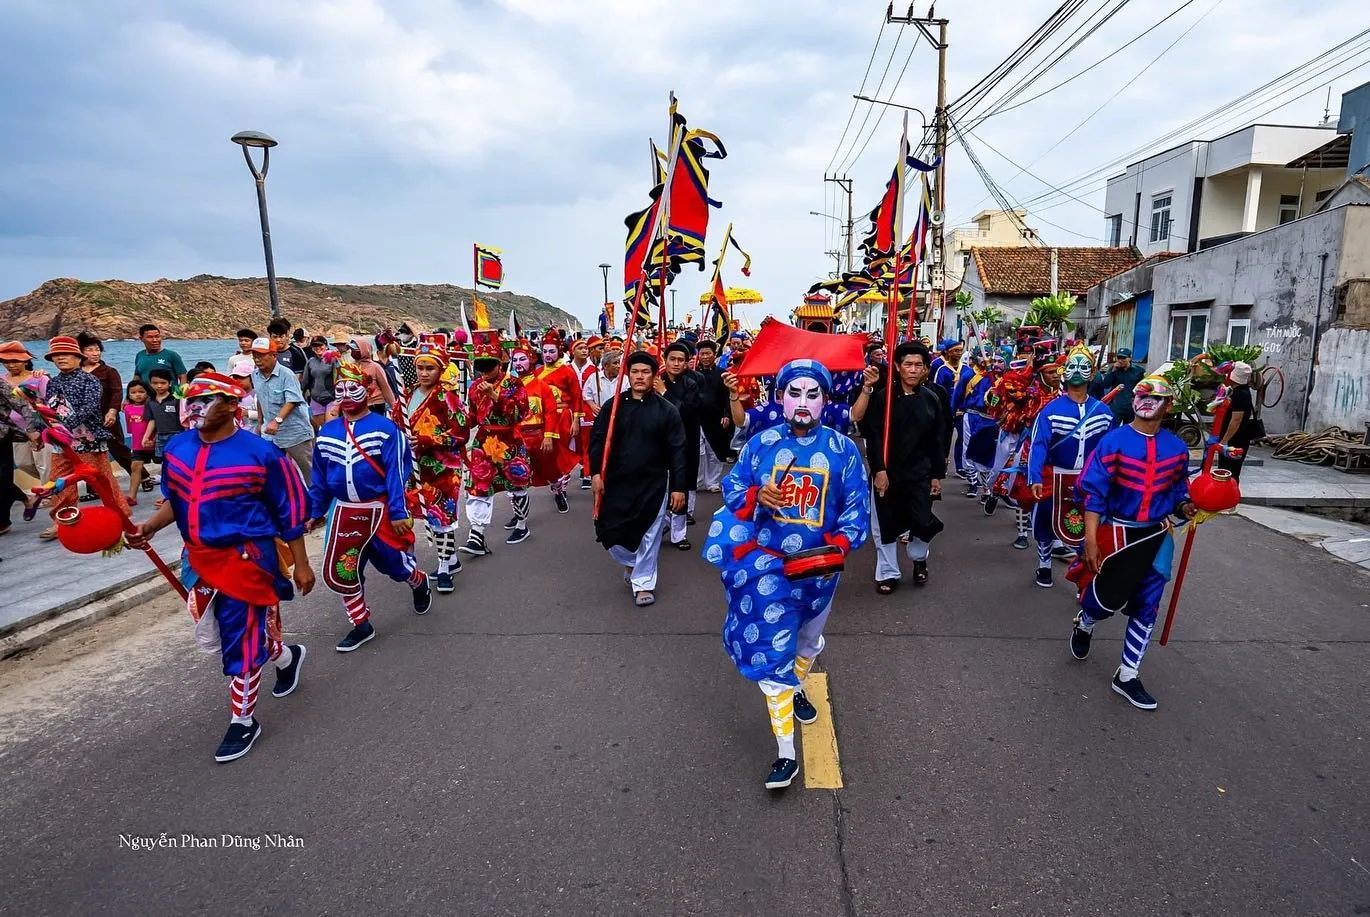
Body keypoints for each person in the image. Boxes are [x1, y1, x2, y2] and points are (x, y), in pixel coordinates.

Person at [125, 372, 313, 763]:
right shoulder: (177, 448)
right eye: (190, 399)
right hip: (198, 560)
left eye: (205, 399)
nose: (193, 407)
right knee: (224, 628)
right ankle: (285, 657)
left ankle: (243, 720)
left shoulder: (264, 455)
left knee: (239, 636)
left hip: (248, 559)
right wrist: (149, 527)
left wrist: (301, 564)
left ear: (230, 406)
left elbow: (290, 514)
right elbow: (177, 501)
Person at [702, 359, 870, 789]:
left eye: (812, 394)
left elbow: (856, 510)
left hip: (819, 568)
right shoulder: (761, 444)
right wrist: (759, 495)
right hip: (767, 567)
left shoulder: (842, 450)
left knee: (809, 642)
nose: (802, 402)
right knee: (774, 656)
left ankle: (798, 685)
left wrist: (840, 546)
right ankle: (785, 752)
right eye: (794, 393)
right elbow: (733, 487)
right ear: (780, 398)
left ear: (825, 401)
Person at [1068, 374, 1196, 711]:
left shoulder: (1177, 449)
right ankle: (1086, 622)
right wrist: (1091, 541)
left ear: (1168, 406)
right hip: (1115, 533)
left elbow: (1178, 491)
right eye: (1143, 393)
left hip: (1156, 535)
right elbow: (1094, 495)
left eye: (1157, 397)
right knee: (1103, 601)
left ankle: (1127, 674)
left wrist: (1186, 505)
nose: (1148, 400)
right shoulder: (1113, 442)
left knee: (1147, 605)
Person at [307, 378, 432, 652]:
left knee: (393, 565)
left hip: (380, 511)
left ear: (369, 391)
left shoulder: (387, 430)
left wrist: (398, 512)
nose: (347, 396)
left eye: (353, 389)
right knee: (345, 569)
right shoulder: (327, 433)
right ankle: (361, 623)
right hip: (344, 512)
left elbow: (397, 475)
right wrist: (314, 511)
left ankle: (417, 580)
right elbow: (319, 477)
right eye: (340, 391)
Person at [589, 350, 687, 608]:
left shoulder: (667, 410)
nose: (640, 377)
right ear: (627, 375)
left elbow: (678, 450)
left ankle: (643, 583)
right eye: (635, 372)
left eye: (645, 372)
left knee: (650, 532)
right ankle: (631, 562)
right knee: (611, 532)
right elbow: (597, 441)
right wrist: (596, 474)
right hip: (617, 482)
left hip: (654, 482)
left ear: (654, 376)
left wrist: (678, 487)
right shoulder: (613, 407)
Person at [1026, 346, 1114, 588]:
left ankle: (1081, 575)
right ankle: (1044, 564)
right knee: (1045, 520)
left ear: (1093, 373)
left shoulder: (1105, 413)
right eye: (1072, 366)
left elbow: (1110, 452)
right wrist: (1034, 477)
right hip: (1055, 476)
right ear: (1064, 372)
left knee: (1087, 527)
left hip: (1088, 480)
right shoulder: (1050, 411)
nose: (1077, 371)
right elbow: (1039, 445)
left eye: (1083, 366)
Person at [29, 336, 132, 539]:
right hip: (61, 442)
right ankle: (63, 521)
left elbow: (91, 407)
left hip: (88, 439)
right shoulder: (52, 382)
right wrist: (44, 429)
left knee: (101, 479)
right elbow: (48, 409)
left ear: (78, 357)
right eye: (56, 355)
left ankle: (120, 515)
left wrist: (65, 426)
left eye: (65, 354)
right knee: (59, 480)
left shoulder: (90, 380)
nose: (61, 358)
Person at [865, 341, 947, 595]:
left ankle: (919, 557)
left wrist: (937, 474)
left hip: (920, 473)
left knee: (923, 523)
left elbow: (938, 439)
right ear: (898, 367)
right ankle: (888, 573)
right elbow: (874, 436)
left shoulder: (932, 398)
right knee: (886, 526)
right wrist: (879, 470)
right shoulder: (883, 399)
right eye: (908, 364)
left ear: (924, 370)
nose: (912, 370)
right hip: (888, 473)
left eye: (918, 365)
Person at [460, 330, 532, 556]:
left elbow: (521, 413)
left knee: (517, 483)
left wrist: (495, 396)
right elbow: (471, 417)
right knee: (478, 486)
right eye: (480, 366)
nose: (484, 372)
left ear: (500, 363)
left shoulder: (514, 384)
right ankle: (477, 535)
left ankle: (522, 524)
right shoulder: (474, 387)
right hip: (484, 441)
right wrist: (457, 423)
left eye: (489, 366)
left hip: (509, 439)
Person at [405, 343, 469, 592]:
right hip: (416, 466)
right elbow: (398, 422)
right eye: (420, 367)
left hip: (443, 467)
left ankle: (443, 566)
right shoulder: (407, 393)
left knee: (442, 516)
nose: (424, 373)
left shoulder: (447, 396)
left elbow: (461, 432)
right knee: (427, 517)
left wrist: (427, 439)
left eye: (429, 368)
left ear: (440, 369)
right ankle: (451, 559)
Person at [512, 346, 577, 520]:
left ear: (532, 360)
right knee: (515, 475)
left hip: (539, 436)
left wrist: (549, 436)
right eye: (515, 360)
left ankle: (558, 492)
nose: (519, 364)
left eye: (522, 359)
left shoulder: (541, 386)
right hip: (518, 437)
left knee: (551, 471)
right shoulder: (510, 386)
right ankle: (519, 515)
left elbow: (550, 412)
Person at [250, 337, 315, 485]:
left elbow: (292, 400)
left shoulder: (287, 374)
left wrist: (277, 421)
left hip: (294, 432)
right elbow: (260, 398)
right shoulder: (255, 375)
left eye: (261, 355)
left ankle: (318, 504)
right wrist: (260, 423)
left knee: (308, 471)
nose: (257, 359)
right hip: (270, 433)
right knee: (273, 471)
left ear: (274, 355)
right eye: (255, 356)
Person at [659, 341, 705, 550]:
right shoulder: (654, 379)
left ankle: (679, 533)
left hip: (684, 441)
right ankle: (659, 525)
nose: (676, 364)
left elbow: (686, 413)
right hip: (658, 442)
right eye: (672, 359)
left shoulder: (691, 384)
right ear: (665, 360)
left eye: (680, 360)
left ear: (687, 363)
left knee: (681, 486)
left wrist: (664, 394)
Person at [532, 335, 585, 510]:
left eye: (552, 351)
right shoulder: (537, 373)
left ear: (559, 352)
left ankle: (560, 483)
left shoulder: (567, 371)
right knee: (546, 455)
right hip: (543, 419)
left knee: (560, 453)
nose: (548, 355)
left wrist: (576, 421)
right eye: (545, 351)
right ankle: (557, 486)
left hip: (563, 418)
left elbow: (577, 397)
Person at [77, 333, 133, 477]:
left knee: (117, 447)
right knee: (89, 452)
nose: (95, 353)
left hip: (106, 416)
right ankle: (94, 488)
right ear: (80, 351)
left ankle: (141, 476)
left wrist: (113, 411)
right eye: (90, 350)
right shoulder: (75, 372)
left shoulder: (109, 371)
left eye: (97, 349)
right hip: (84, 420)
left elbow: (117, 392)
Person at [3, 342, 50, 487]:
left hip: (40, 426)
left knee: (44, 464)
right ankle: (56, 482)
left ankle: (49, 492)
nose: (11, 365)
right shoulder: (2, 380)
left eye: (15, 361)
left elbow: (50, 401)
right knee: (23, 463)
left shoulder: (40, 378)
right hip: (16, 428)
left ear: (25, 360)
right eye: (6, 361)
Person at [957, 348, 998, 502]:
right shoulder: (969, 375)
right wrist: (954, 412)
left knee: (991, 453)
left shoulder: (998, 378)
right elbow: (958, 395)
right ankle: (973, 482)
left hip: (993, 420)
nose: (986, 359)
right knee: (969, 449)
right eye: (982, 355)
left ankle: (990, 487)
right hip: (972, 416)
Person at [694, 340, 733, 492]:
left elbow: (727, 396)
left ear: (714, 354)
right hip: (697, 418)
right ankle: (698, 480)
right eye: (702, 354)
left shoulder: (723, 373)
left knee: (715, 451)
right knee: (699, 452)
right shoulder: (694, 375)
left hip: (717, 418)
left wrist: (726, 414)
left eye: (708, 353)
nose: (705, 357)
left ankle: (713, 482)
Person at [1213, 361, 1259, 481]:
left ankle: (1228, 498)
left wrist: (1224, 441)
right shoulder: (1235, 390)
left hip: (1235, 439)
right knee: (1226, 471)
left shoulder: (1240, 394)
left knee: (1229, 473)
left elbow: (1236, 421)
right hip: (1233, 438)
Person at [0, 379, 35, 537]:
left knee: (2, 479)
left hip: (1, 436)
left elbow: (21, 404)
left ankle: (3, 522)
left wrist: (32, 428)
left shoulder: (0, 384)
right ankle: (24, 497)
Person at [932, 340, 972, 478]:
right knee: (943, 439)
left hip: (962, 410)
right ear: (948, 352)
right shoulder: (941, 370)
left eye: (960, 350)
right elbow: (937, 392)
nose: (958, 353)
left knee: (962, 438)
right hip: (946, 412)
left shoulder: (967, 370)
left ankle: (960, 467)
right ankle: (940, 464)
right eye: (955, 350)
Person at [1091, 347, 1146, 424]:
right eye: (1119, 358)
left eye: (1123, 358)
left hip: (1131, 406)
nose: (1120, 360)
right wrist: (1113, 371)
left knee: (1129, 430)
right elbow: (1105, 385)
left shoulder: (1138, 371)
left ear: (1129, 358)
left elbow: (1143, 388)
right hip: (1116, 406)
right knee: (1112, 428)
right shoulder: (1114, 370)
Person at [346, 337, 396, 416]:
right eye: (352, 350)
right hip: (358, 405)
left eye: (355, 350)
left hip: (375, 405)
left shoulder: (375, 367)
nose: (353, 352)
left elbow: (386, 389)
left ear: (364, 350)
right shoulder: (351, 367)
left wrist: (394, 408)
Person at [122, 379, 153, 504]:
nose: (138, 394)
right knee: (135, 467)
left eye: (141, 391)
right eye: (133, 392)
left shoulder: (151, 406)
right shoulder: (128, 409)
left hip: (153, 443)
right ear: (129, 395)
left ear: (147, 392)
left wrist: (152, 439)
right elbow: (130, 429)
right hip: (137, 444)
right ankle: (132, 496)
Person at [144, 369, 183, 464]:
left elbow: (183, 418)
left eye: (163, 382)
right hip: (160, 435)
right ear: (150, 383)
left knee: (177, 460)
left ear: (170, 383)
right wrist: (146, 437)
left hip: (177, 434)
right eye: (155, 383)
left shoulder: (176, 399)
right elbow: (152, 420)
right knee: (161, 461)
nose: (159, 385)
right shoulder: (150, 401)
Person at [301, 336, 336, 431]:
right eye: (315, 346)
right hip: (316, 400)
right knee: (321, 430)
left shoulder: (333, 360)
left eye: (320, 345)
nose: (318, 348)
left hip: (331, 399)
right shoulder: (310, 362)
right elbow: (305, 382)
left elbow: (339, 379)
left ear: (326, 345)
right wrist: (300, 396)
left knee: (330, 428)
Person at [227, 355, 259, 430]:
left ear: (251, 378)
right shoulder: (231, 397)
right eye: (235, 377)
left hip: (254, 432)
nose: (237, 380)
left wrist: (247, 413)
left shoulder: (256, 395)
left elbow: (266, 415)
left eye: (242, 377)